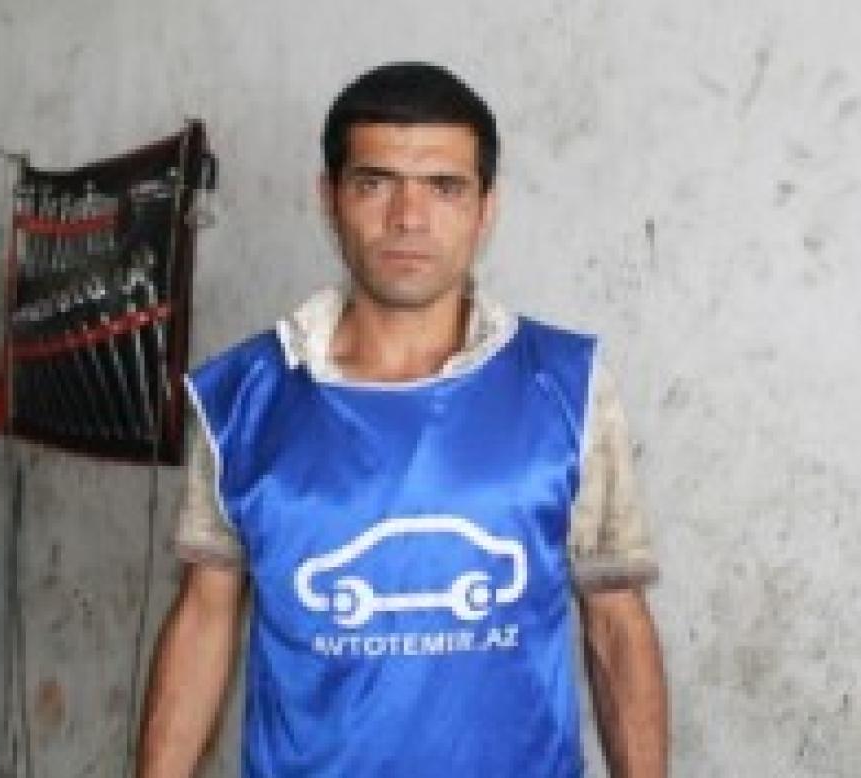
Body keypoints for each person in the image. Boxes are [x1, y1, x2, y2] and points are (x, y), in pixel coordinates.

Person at [138, 62, 667, 778]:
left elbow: (615, 617)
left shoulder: (568, 386)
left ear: (486, 208)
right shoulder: (241, 398)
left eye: (444, 187)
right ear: (329, 198)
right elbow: (205, 615)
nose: (408, 219)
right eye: (375, 183)